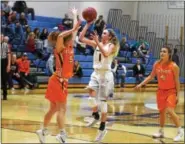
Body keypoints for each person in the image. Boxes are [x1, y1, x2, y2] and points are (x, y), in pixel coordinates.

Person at [36, 8, 80, 143]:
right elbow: (61, 36)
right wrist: (72, 29)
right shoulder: (60, 49)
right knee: (61, 108)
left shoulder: (70, 47)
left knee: (54, 108)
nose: (72, 39)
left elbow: (75, 29)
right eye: (71, 38)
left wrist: (75, 15)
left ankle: (42, 130)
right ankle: (62, 134)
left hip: (60, 81)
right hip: (58, 80)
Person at [79, 21, 120, 142]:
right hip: (95, 73)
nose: (103, 34)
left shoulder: (112, 46)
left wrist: (97, 42)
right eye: (103, 33)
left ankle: (102, 129)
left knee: (102, 103)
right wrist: (87, 24)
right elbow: (81, 38)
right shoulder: (96, 43)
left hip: (106, 76)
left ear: (110, 37)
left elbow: (106, 54)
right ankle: (95, 116)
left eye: (105, 33)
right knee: (91, 98)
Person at [135, 47, 184, 142]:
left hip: (171, 91)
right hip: (160, 91)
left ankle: (180, 131)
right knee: (161, 112)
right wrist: (141, 84)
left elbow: (177, 81)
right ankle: (161, 131)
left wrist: (178, 95)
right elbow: (151, 76)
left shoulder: (174, 66)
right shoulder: (157, 64)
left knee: (170, 110)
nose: (162, 53)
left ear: (169, 54)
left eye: (164, 52)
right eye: (161, 51)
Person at [1, 34, 11, 100]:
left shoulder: (6, 45)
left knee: (4, 79)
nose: (1, 38)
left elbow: (9, 55)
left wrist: (8, 65)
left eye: (2, 37)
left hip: (4, 61)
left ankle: (5, 95)